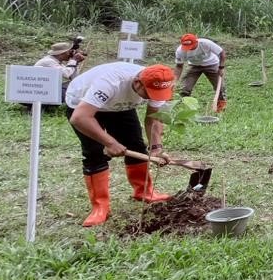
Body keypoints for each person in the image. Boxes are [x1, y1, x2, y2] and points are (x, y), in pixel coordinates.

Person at [66, 62, 176, 227]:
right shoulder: (110, 82)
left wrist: (156, 148)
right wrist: (110, 142)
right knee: (95, 153)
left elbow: (153, 118)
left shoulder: (157, 83)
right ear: (138, 82)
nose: (153, 97)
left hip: (120, 105)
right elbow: (79, 118)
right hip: (83, 106)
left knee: (136, 145)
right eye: (149, 93)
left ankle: (144, 191)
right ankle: (100, 206)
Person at [174, 33, 226, 111]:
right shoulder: (180, 51)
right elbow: (179, 66)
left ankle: (220, 106)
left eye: (191, 46)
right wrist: (175, 80)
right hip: (194, 66)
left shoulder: (206, 43)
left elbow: (222, 53)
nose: (189, 49)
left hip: (211, 64)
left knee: (220, 87)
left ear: (196, 42)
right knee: (185, 88)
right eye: (186, 47)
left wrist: (221, 68)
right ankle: (185, 107)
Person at [34, 40, 86, 104]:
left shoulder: (57, 62)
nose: (70, 54)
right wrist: (74, 60)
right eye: (69, 52)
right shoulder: (48, 61)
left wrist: (76, 62)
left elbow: (74, 78)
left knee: (75, 86)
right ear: (61, 53)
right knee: (71, 91)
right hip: (40, 91)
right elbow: (66, 74)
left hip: (46, 89)